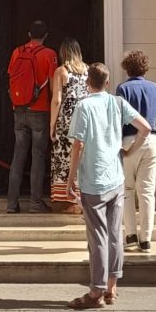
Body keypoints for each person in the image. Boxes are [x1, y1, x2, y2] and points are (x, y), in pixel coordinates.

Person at [66, 62, 151, 309]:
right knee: (115, 235)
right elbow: (145, 128)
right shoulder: (117, 103)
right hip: (116, 178)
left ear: (87, 82)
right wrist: (128, 152)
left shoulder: (84, 106)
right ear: (107, 81)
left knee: (98, 238)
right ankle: (112, 288)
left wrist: (71, 177)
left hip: (94, 181)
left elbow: (78, 145)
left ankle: (96, 292)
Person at [115, 50, 156, 253]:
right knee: (146, 191)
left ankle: (130, 235)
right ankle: (146, 238)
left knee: (127, 189)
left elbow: (119, 115)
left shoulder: (123, 88)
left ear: (127, 67)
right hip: (151, 139)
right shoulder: (154, 87)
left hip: (128, 139)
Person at [6, 19, 58, 214]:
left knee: (18, 155)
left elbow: (11, 77)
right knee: (38, 155)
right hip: (40, 109)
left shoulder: (17, 52)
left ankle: (12, 203)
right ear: (46, 35)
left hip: (19, 109)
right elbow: (53, 85)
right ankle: (35, 203)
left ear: (28, 34)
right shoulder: (49, 54)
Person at [50, 38, 89, 213]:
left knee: (64, 160)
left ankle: (68, 201)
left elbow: (57, 100)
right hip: (85, 119)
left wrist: (52, 124)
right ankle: (81, 198)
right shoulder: (88, 70)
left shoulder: (61, 71)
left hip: (66, 121)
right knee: (81, 158)